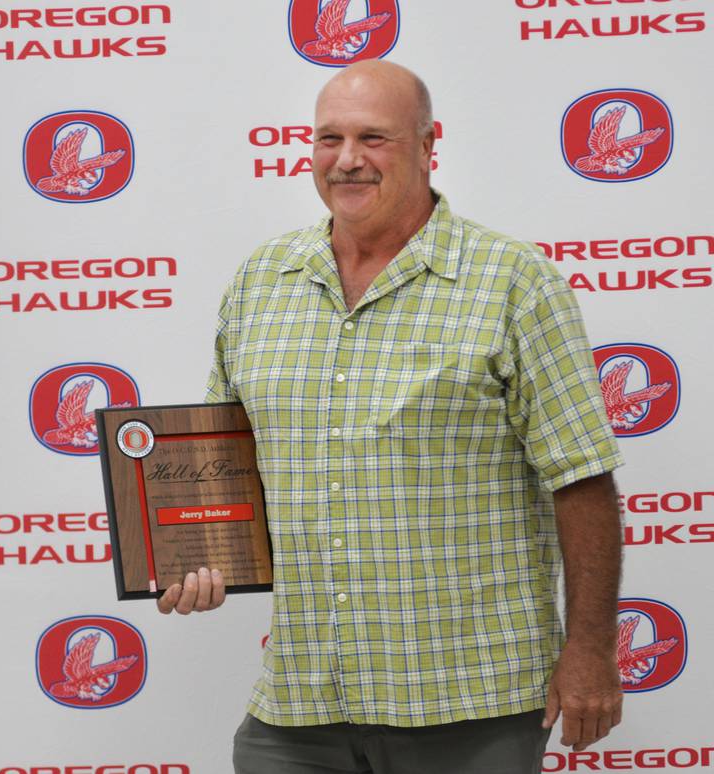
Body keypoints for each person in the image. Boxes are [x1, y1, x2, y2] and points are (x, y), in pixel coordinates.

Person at [158, 60, 625, 774]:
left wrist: (590, 648)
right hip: (301, 703)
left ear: (428, 144)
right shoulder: (261, 282)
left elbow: (582, 478)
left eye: (374, 138)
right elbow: (219, 462)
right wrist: (194, 558)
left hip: (471, 705)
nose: (347, 160)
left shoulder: (513, 281)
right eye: (329, 138)